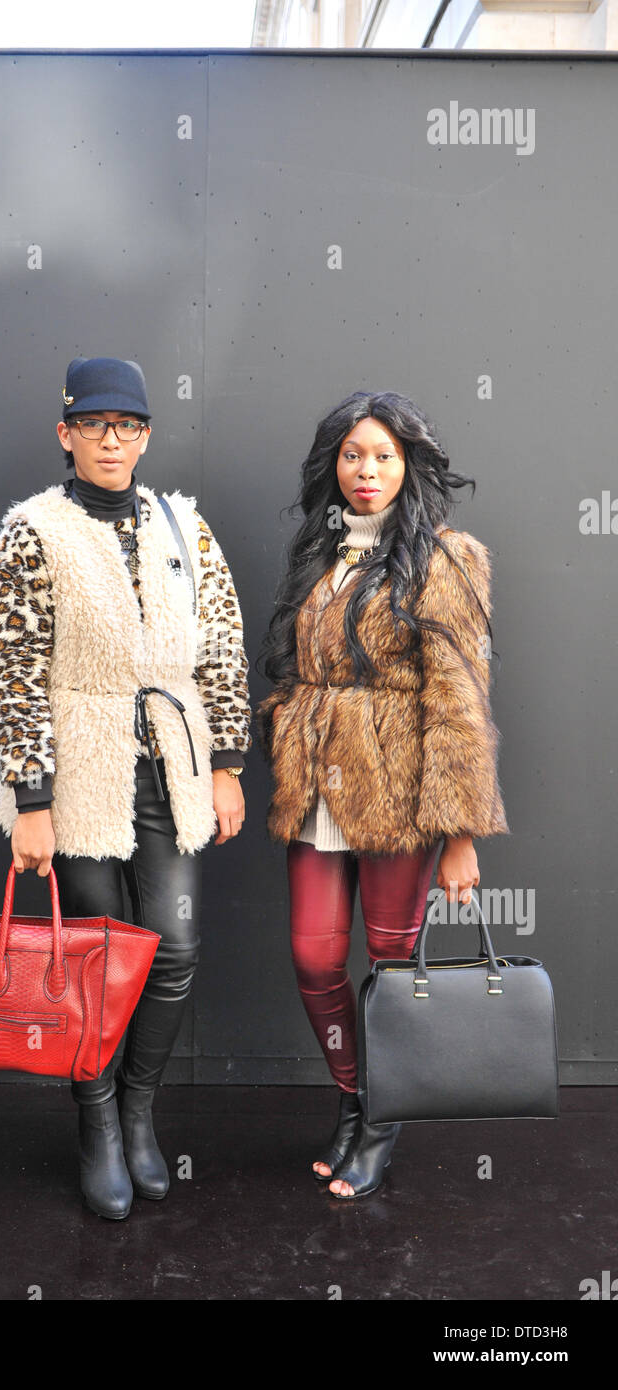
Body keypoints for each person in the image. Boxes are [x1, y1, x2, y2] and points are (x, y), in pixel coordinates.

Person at [0, 356, 251, 1219]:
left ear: (146, 436)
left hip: (172, 763)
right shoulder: (31, 532)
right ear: (66, 434)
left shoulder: (182, 526)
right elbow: (10, 670)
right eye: (94, 424)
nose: (111, 440)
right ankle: (95, 1121)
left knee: (173, 948)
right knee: (92, 959)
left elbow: (223, 642)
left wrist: (229, 764)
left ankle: (137, 1110)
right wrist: (31, 797)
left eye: (127, 425)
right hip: (78, 768)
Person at [255, 390, 509, 1200]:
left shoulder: (446, 556)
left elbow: (461, 698)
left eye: (384, 456)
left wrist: (461, 831)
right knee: (314, 955)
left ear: (409, 465)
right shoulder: (318, 554)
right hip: (317, 784)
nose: (367, 471)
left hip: (402, 794)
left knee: (393, 964)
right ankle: (357, 1098)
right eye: (353, 455)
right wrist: (287, 728)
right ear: (334, 464)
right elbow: (295, 670)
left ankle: (382, 1124)